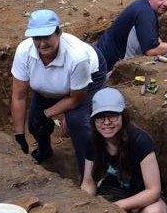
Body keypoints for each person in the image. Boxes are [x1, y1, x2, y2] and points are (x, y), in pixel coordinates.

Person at [10, 9, 107, 172]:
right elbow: (19, 96)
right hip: (50, 85)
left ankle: (90, 173)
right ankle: (44, 150)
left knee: (77, 121)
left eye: (46, 37)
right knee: (34, 122)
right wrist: (19, 135)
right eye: (36, 38)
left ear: (59, 33)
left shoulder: (78, 57)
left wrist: (49, 113)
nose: (41, 44)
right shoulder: (24, 51)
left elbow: (76, 99)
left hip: (88, 76)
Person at [80, 87, 167, 213]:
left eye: (112, 116)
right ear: (93, 120)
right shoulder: (93, 141)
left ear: (123, 116)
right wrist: (87, 203)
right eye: (100, 117)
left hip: (142, 198)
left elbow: (153, 190)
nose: (106, 122)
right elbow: (88, 181)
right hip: (110, 194)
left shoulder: (141, 141)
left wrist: (119, 206)